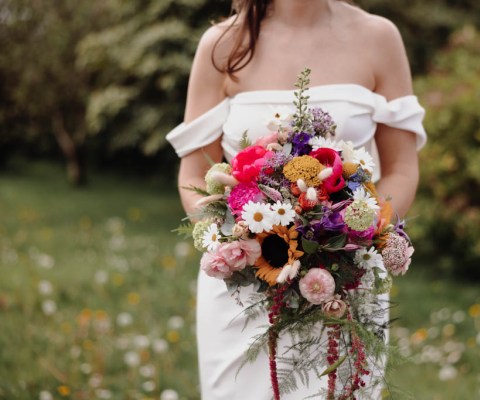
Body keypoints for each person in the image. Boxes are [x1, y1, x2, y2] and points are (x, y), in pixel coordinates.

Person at [166, 0, 426, 398]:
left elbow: (402, 168)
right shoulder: (222, 44)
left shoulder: (378, 37)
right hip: (246, 282)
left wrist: (352, 233)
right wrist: (242, 241)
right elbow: (191, 176)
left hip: (345, 282)